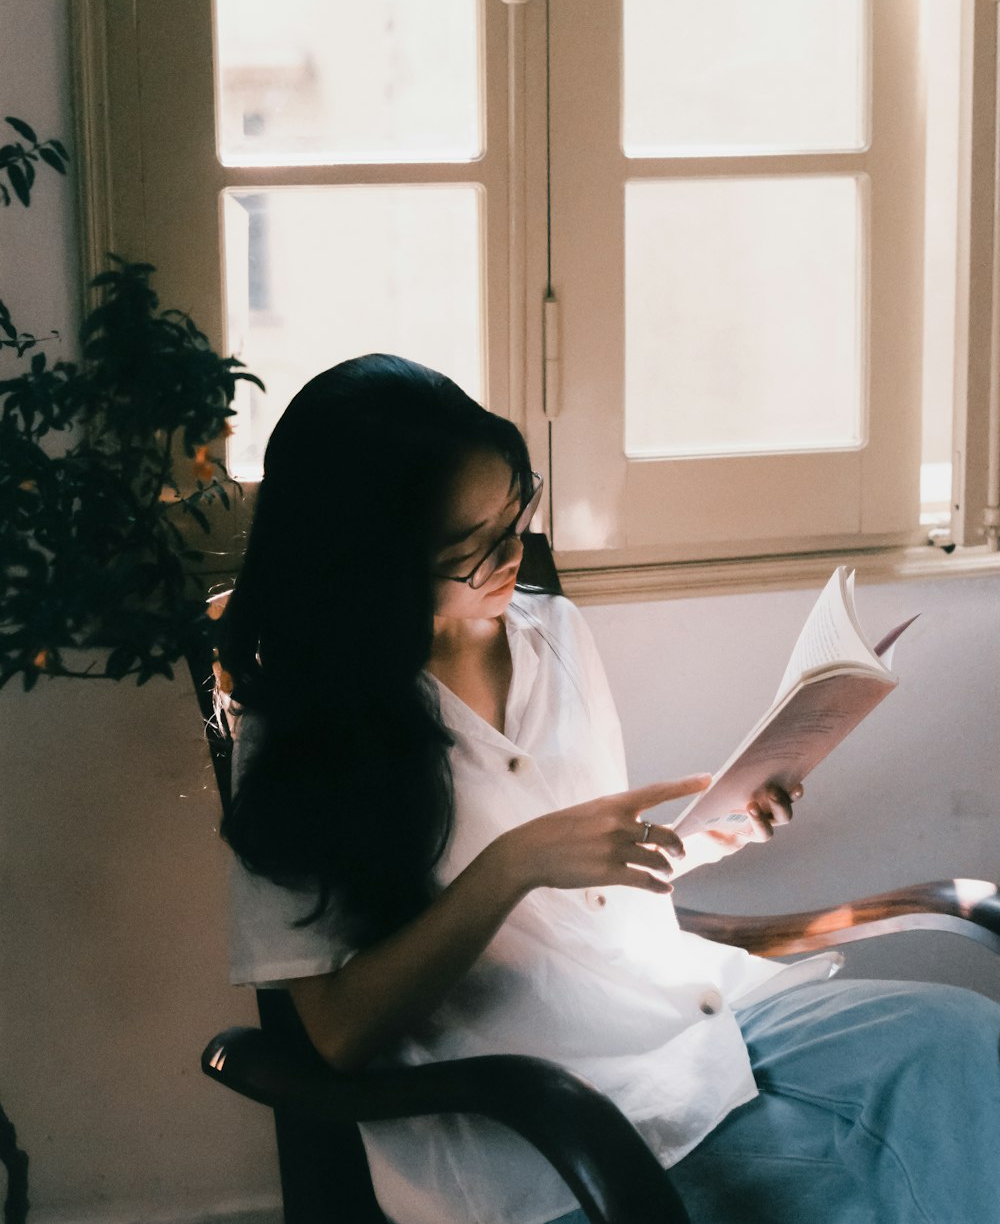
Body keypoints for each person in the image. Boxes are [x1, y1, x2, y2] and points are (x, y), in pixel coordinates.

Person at [220, 353, 1000, 1224]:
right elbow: (337, 1034)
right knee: (881, 1186)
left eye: (518, 511)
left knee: (964, 1044)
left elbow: (582, 906)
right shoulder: (303, 731)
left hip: (689, 1025)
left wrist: (705, 837)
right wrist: (510, 866)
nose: (515, 553)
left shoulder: (553, 634)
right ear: (369, 566)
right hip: (533, 1121)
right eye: (472, 549)